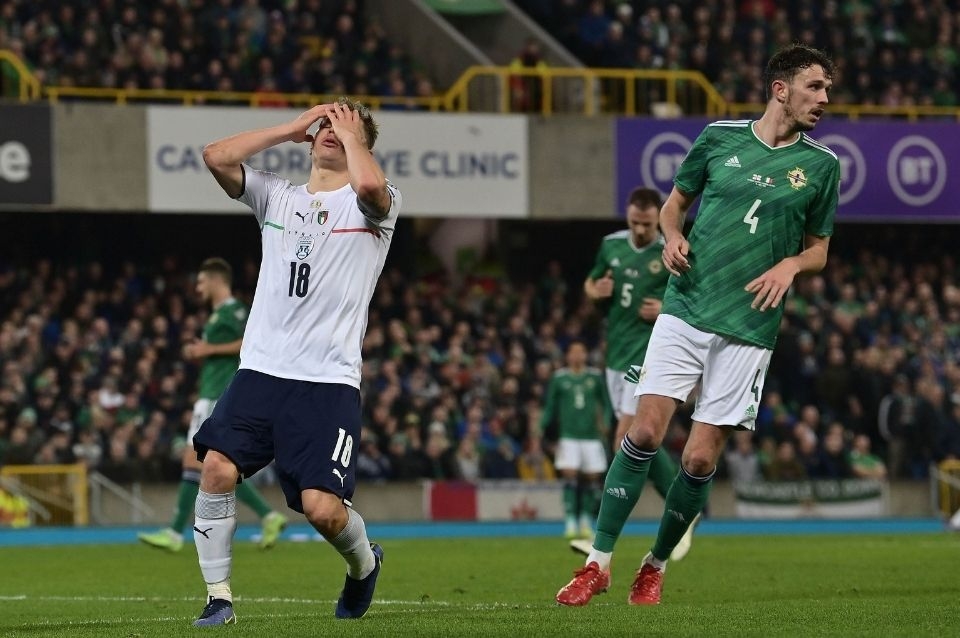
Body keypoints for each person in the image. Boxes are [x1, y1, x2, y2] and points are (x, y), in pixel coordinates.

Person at [556, 43, 838, 606]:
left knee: (700, 459)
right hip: (686, 307)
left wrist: (791, 264)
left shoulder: (822, 166)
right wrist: (672, 237)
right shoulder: (718, 138)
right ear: (780, 89)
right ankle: (597, 564)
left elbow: (819, 250)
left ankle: (654, 565)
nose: (824, 99)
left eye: (827, 89)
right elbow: (673, 207)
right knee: (643, 432)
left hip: (749, 326)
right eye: (815, 86)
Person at [190, 97, 401, 626]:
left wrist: (352, 136)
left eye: (346, 126)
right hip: (261, 371)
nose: (333, 129)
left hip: (327, 380)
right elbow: (215, 155)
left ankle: (363, 566)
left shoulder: (377, 203)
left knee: (323, 510)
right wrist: (290, 128)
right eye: (326, 123)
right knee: (215, 467)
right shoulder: (277, 196)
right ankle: (218, 598)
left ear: (362, 144)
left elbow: (370, 187)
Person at [571, 186, 699, 560]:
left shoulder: (672, 249)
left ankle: (602, 538)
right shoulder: (611, 245)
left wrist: (664, 307)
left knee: (625, 439)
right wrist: (595, 290)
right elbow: (590, 283)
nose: (641, 230)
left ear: (657, 218)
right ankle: (684, 506)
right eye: (635, 222)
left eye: (647, 223)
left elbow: (695, 295)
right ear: (627, 216)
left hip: (646, 355)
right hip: (615, 356)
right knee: (637, 441)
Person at [138, 258, 288, 553]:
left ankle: (175, 532)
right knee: (211, 465)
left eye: (202, 281)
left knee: (194, 460)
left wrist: (209, 348)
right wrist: (202, 352)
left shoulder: (234, 311)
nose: (198, 287)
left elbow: (251, 342)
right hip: (211, 392)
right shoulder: (218, 315)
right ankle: (268, 516)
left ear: (217, 280)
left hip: (217, 394)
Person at [538, 340, 610, 539]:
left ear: (586, 355)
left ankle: (586, 520)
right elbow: (550, 406)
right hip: (568, 436)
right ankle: (570, 520)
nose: (578, 355)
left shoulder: (595, 377)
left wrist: (605, 423)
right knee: (569, 475)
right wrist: (541, 426)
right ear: (568, 355)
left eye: (581, 351)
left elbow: (606, 403)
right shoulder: (559, 378)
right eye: (574, 352)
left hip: (591, 436)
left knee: (592, 477)